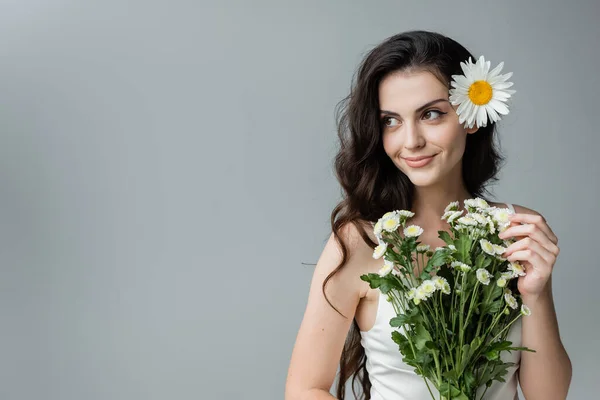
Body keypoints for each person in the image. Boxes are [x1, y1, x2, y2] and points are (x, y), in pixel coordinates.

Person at [284, 30, 572, 400]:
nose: (411, 141)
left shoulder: (517, 230)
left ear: (471, 115)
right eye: (391, 121)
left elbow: (548, 396)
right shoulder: (361, 242)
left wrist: (537, 293)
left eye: (431, 114)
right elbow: (304, 388)